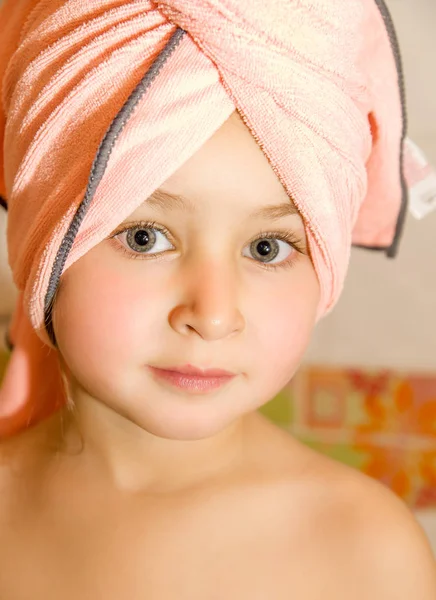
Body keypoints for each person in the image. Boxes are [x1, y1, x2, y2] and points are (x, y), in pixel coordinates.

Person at [0, 1, 435, 598]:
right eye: (145, 238)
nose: (212, 314)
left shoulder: (364, 554)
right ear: (43, 243)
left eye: (266, 247)